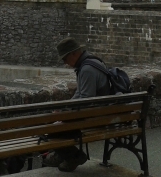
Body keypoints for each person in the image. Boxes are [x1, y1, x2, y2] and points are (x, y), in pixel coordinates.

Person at [42, 37, 110, 172]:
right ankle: (65, 155)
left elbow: (85, 101)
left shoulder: (86, 69)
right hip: (102, 113)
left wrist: (65, 115)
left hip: (96, 117)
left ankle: (73, 156)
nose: (65, 63)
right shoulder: (92, 62)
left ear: (74, 53)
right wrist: (64, 110)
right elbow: (80, 95)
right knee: (56, 123)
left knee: (52, 128)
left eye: (65, 59)